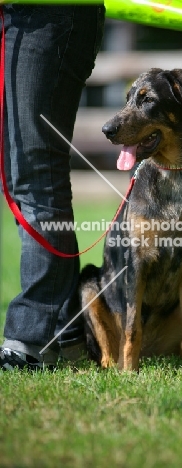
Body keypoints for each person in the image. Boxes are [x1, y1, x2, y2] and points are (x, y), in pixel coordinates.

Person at [0, 4, 105, 370]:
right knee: (18, 176)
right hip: (16, 16)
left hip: (48, 14)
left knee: (35, 175)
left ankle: (31, 338)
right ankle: (67, 334)